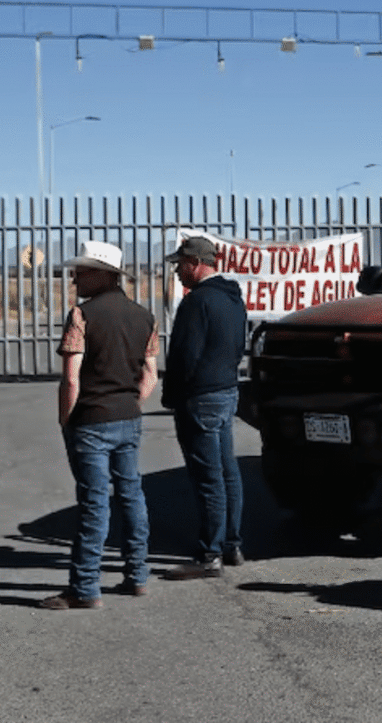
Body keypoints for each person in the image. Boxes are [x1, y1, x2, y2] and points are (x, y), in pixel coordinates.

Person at [42, 241, 158, 609]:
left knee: (94, 503)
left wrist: (66, 418)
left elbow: (71, 378)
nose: (75, 277)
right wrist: (132, 401)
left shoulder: (82, 316)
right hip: (128, 416)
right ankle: (137, 575)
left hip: (91, 419)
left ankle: (85, 587)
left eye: (83, 271)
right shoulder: (144, 316)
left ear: (103, 275)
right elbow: (151, 374)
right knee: (131, 495)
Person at [160, 236, 249, 581]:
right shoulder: (232, 299)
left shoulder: (197, 303)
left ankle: (210, 553)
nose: (177, 272)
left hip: (200, 396)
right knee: (227, 471)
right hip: (225, 391)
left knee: (208, 477)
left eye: (180, 265)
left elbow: (185, 355)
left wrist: (173, 395)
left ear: (195, 263)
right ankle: (231, 543)